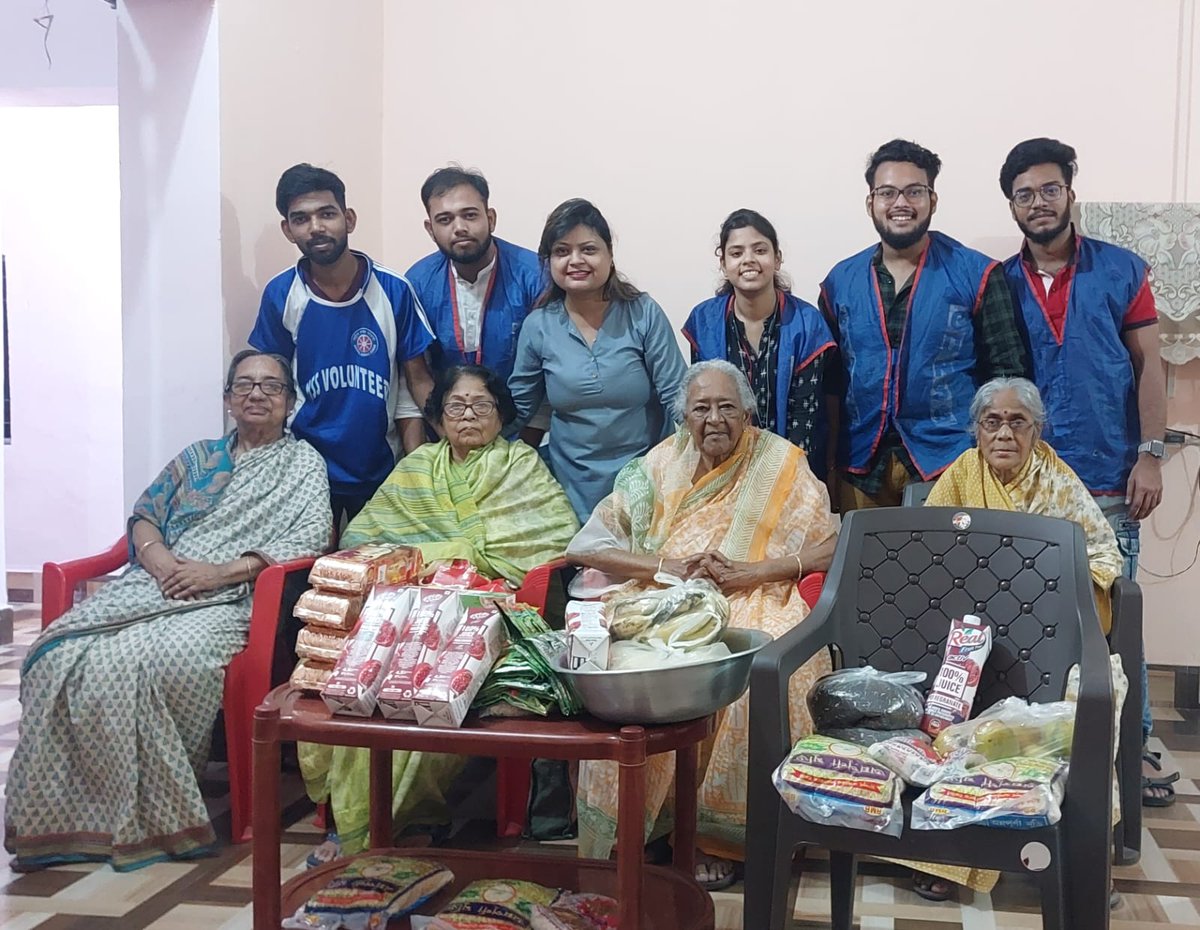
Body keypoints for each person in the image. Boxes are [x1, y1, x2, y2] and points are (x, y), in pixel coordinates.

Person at [4, 350, 332, 872]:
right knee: (53, 655)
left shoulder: (303, 464)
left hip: (229, 596)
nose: (257, 394)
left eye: (271, 387)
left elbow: (311, 536)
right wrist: (159, 563)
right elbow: (145, 515)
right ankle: (70, 813)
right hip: (156, 584)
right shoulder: (197, 458)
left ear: (290, 403)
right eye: (244, 385)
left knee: (164, 658)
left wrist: (218, 572)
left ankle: (153, 810)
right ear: (227, 400)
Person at [567, 360, 838, 891]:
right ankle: (642, 825)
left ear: (748, 412)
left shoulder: (781, 462)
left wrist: (756, 571)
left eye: (727, 407)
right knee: (624, 661)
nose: (715, 419)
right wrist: (667, 567)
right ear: (683, 416)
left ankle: (718, 837)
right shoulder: (657, 464)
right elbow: (587, 545)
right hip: (664, 596)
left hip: (757, 593)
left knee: (756, 667)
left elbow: (830, 541)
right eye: (702, 408)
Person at [299, 364, 580, 859]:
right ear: (437, 416)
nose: (468, 414)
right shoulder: (416, 467)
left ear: (501, 416)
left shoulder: (520, 465)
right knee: (366, 672)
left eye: (482, 405)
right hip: (406, 606)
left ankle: (412, 813)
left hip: (489, 609)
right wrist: (424, 566)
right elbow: (361, 538)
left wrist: (449, 556)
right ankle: (356, 816)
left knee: (431, 675)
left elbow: (553, 538)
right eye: (456, 405)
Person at [997, 138, 1173, 806]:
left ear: (1070, 193)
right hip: (1028, 483)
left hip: (1108, 477)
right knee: (1031, 620)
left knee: (1115, 621)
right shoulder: (1000, 281)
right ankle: (1044, 748)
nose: (1038, 204)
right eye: (1023, 194)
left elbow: (1149, 366)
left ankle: (1135, 747)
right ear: (1010, 203)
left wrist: (1151, 454)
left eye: (1048, 189)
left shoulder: (1123, 271)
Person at [899, 377, 1122, 902]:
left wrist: (1040, 599)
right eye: (991, 422)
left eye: (1016, 421)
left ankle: (1083, 853)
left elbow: (1103, 558)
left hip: (1047, 638)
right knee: (944, 695)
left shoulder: (1060, 483)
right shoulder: (959, 476)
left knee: (1100, 691)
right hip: (967, 637)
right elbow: (926, 553)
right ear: (976, 430)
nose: (1004, 433)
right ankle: (947, 855)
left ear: (1037, 430)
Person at [819, 138, 1029, 511]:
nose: (901, 203)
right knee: (865, 567)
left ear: (932, 200)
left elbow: (1007, 376)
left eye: (914, 191)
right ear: (871, 203)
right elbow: (831, 384)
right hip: (861, 465)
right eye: (888, 192)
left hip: (950, 461)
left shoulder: (977, 273)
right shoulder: (839, 281)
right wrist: (827, 466)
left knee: (946, 568)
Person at [250, 163, 436, 526]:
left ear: (349, 219)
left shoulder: (394, 290)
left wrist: (418, 470)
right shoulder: (281, 294)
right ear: (288, 230)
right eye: (301, 219)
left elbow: (414, 385)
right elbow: (272, 388)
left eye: (327, 214)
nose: (316, 227)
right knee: (312, 573)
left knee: (379, 572)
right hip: (306, 469)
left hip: (382, 467)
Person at [508, 198, 689, 521]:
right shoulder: (539, 326)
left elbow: (679, 398)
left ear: (609, 255)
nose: (575, 260)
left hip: (646, 484)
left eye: (588, 249)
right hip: (567, 491)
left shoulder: (643, 313)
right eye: (562, 251)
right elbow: (518, 408)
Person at [682, 209, 835, 476]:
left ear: (777, 259)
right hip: (725, 471)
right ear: (723, 263)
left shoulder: (806, 323)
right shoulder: (704, 321)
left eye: (760, 250)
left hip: (796, 470)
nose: (749, 260)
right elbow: (704, 407)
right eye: (737, 252)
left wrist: (780, 485)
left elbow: (804, 419)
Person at [405, 166, 543, 383]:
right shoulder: (417, 283)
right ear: (430, 229)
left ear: (491, 219)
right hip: (447, 412)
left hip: (524, 408)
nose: (459, 227)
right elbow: (417, 371)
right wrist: (439, 416)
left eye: (469, 215)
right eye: (444, 220)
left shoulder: (535, 275)